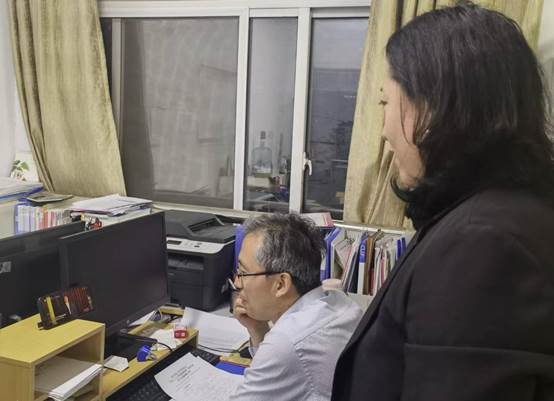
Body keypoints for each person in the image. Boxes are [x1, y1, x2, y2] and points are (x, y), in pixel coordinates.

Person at [331, 3, 554, 401]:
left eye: (386, 103)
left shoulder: (481, 243)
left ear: (436, 106)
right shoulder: (497, 213)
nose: (383, 131)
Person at [229, 213, 362, 401]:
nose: (237, 283)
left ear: (281, 284)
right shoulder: (339, 301)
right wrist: (258, 329)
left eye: (243, 273)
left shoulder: (288, 341)